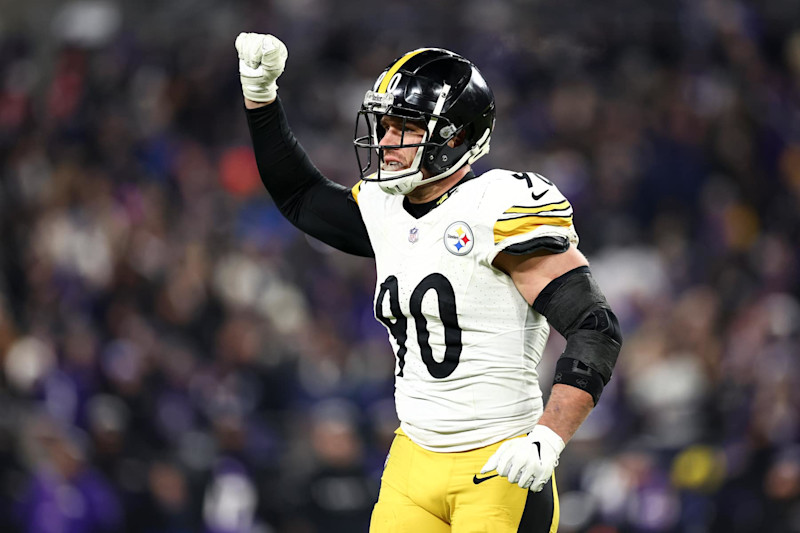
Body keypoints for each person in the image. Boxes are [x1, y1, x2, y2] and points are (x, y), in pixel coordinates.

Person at [235, 33, 623, 532]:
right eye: (386, 123)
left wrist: (548, 438)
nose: (386, 140)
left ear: (454, 138)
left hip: (497, 461)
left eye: (406, 127)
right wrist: (260, 95)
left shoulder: (498, 207)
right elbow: (301, 197)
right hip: (413, 459)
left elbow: (596, 328)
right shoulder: (385, 206)